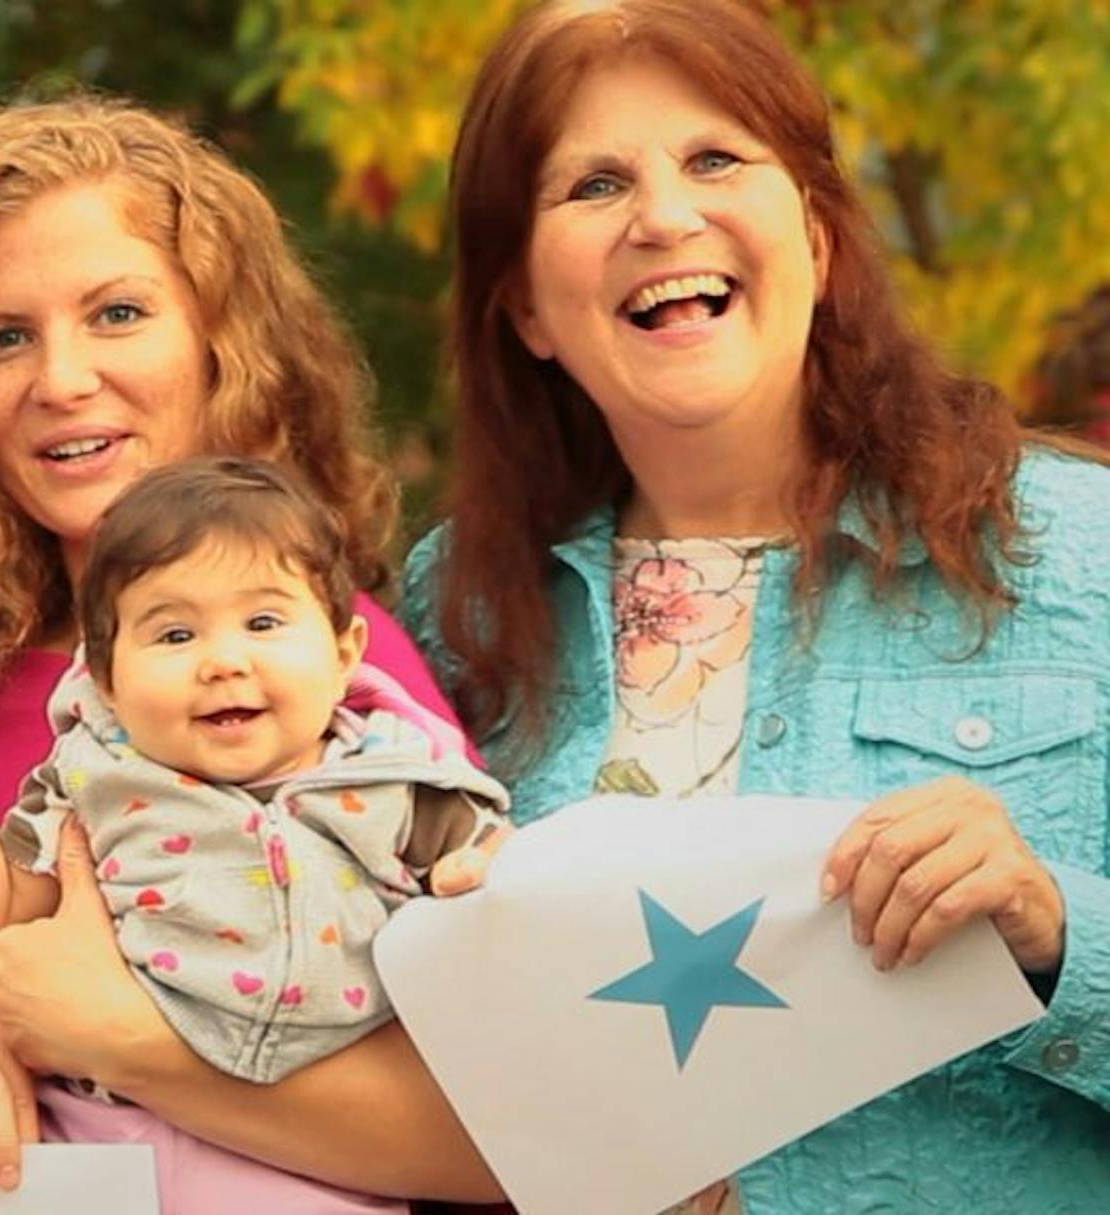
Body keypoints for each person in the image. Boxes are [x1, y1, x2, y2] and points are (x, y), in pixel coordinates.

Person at [398, 1, 1110, 1210]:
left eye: (716, 159)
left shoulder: (1079, 552)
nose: (665, 217)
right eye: (593, 184)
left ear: (820, 236)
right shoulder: (448, 611)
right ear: (522, 305)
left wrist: (1055, 932)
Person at [0, 95, 503, 1209]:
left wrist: (128, 1050)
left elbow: (480, 1138)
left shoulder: (317, 683)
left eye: (118, 313)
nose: (61, 379)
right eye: (5, 338)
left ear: (221, 346)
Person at [0, 456, 509, 1212]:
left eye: (264, 622)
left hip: (315, 1156)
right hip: (104, 1135)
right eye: (174, 633)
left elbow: (495, 879)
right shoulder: (96, 783)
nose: (223, 660)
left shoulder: (400, 780)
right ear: (105, 678)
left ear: (343, 655)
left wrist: (488, 881)